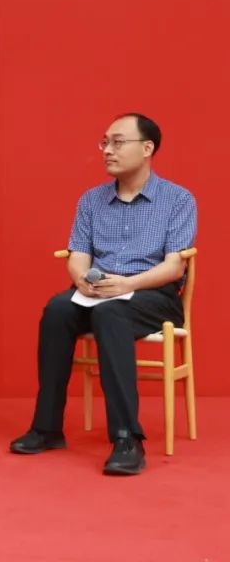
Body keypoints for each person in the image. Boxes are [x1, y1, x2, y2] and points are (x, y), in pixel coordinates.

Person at [10, 113, 197, 475]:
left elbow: (175, 266)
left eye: (118, 142)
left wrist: (128, 284)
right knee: (57, 309)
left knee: (111, 313)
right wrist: (81, 279)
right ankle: (46, 427)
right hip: (97, 292)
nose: (107, 150)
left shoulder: (178, 199)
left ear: (147, 148)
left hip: (151, 295)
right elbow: (78, 255)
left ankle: (127, 438)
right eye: (105, 142)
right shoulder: (91, 200)